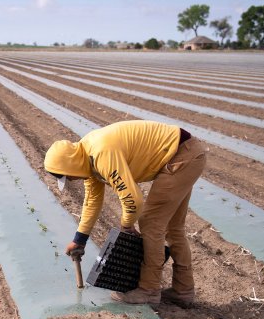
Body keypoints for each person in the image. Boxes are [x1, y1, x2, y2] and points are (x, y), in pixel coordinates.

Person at [44, 120, 207, 306]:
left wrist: (127, 225)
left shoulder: (101, 153)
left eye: (68, 176)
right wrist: (79, 240)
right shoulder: (86, 159)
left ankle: (149, 290)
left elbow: (133, 199)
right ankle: (183, 291)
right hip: (188, 152)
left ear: (70, 165)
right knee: (173, 227)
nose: (72, 180)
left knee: (151, 222)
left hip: (181, 156)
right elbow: (91, 201)